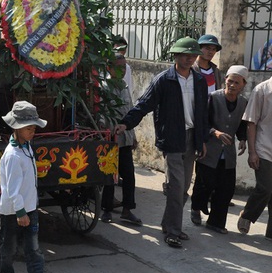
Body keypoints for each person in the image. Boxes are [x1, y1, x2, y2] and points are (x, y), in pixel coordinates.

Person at [115, 37, 209, 248]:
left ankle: (168, 223)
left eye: (193, 55)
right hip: (172, 138)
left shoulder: (200, 81)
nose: (189, 59)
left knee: (184, 187)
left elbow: (203, 113)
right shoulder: (163, 80)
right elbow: (143, 104)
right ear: (175, 55)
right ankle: (173, 232)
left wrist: (202, 140)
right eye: (185, 55)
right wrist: (126, 123)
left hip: (192, 137)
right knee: (176, 187)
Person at [0, 101, 59, 273]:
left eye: (34, 128)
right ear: (16, 128)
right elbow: (12, 190)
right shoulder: (13, 155)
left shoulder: (26, 147)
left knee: (34, 251)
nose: (32, 131)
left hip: (29, 208)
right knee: (9, 247)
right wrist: (21, 212)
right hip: (14, 211)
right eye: (28, 128)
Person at [190, 66, 248, 233]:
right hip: (209, 150)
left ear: (243, 84)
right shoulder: (213, 98)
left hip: (228, 154)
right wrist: (215, 132)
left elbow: (242, 126)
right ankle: (196, 208)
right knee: (204, 184)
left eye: (237, 82)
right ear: (225, 81)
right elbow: (202, 121)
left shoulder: (244, 103)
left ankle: (215, 222)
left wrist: (243, 139)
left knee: (226, 189)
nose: (232, 85)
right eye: (230, 81)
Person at [100, 54, 142, 225]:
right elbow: (102, 115)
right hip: (110, 139)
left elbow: (130, 110)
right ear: (109, 68)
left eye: (124, 67)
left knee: (129, 176)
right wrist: (107, 133)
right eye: (118, 67)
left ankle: (127, 209)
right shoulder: (104, 87)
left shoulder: (124, 85)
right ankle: (107, 210)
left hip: (125, 137)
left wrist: (134, 136)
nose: (122, 70)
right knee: (110, 175)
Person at [237, 72, 272, 239]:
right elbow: (251, 122)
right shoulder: (262, 90)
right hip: (264, 147)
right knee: (265, 187)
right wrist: (252, 152)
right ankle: (247, 214)